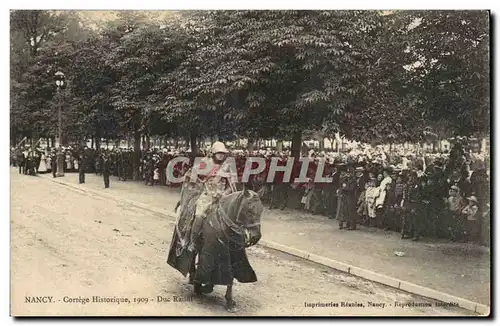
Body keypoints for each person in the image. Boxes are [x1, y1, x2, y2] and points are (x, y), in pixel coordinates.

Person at [187, 141, 236, 251]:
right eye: (219, 153)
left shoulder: (227, 166)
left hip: (223, 198)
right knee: (199, 216)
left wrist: (225, 194)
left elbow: (231, 185)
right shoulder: (205, 162)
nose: (221, 155)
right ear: (213, 153)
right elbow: (193, 174)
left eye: (223, 153)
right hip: (207, 196)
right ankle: (192, 242)